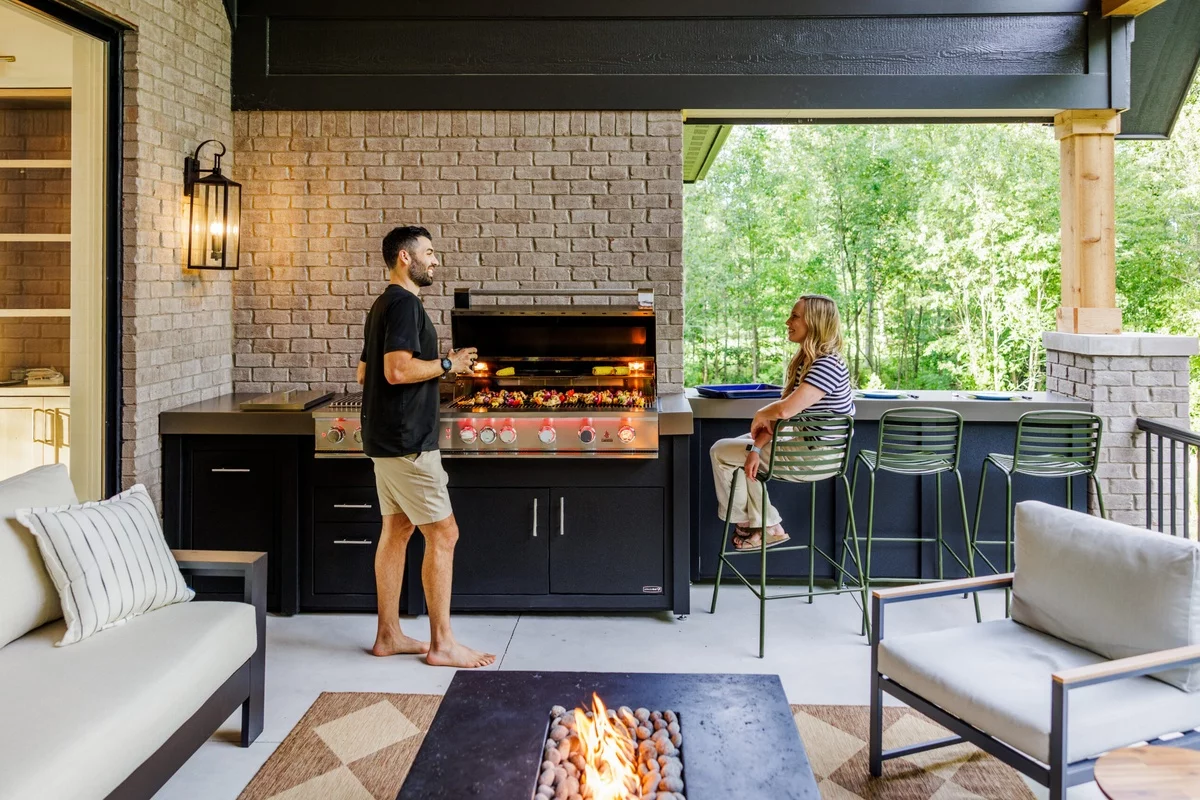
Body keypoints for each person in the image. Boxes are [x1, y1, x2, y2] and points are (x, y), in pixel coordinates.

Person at [356, 225, 495, 669]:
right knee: (445, 534)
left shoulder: (381, 305)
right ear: (405, 257)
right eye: (429, 253)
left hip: (385, 441)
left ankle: (389, 635)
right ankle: (442, 644)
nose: (435, 261)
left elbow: (366, 375)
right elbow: (395, 371)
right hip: (408, 442)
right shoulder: (404, 305)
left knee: (397, 532)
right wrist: (448, 364)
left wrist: (435, 367)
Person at [709, 294, 855, 551]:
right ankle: (765, 526)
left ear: (815, 322)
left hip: (816, 458)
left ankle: (752, 525)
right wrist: (755, 449)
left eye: (795, 316)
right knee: (744, 450)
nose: (788, 321)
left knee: (720, 451)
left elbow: (785, 410)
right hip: (804, 447)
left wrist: (761, 413)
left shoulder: (826, 364)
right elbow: (782, 420)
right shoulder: (807, 363)